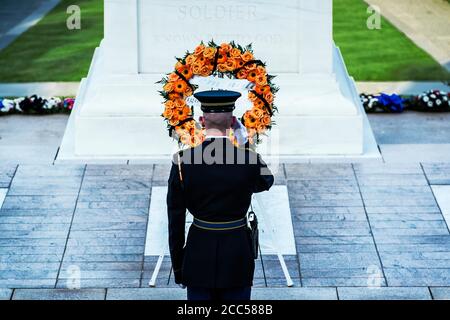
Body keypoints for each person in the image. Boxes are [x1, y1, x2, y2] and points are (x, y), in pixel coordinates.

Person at [167, 90, 274, 301]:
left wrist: (179, 267)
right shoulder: (249, 160)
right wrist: (246, 144)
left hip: (199, 253)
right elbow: (266, 181)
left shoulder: (182, 162)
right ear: (233, 121)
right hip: (237, 254)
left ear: (201, 121)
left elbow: (175, 221)